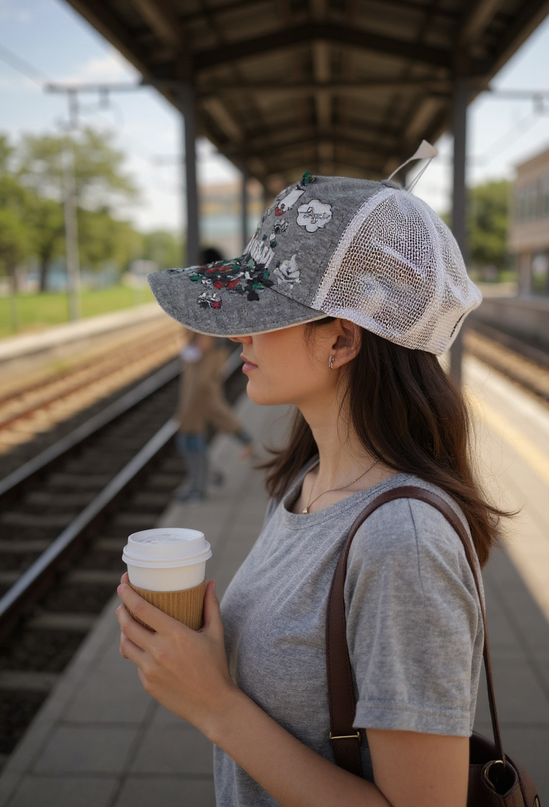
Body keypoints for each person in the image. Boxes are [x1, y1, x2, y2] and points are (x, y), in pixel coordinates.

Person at [116, 161, 508, 806]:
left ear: (341, 342)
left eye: (264, 311)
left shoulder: (401, 545)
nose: (239, 332)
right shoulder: (307, 481)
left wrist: (215, 706)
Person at [175, 328, 253, 500]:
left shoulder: (209, 350)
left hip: (198, 397)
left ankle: (199, 488)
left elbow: (208, 395)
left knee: (191, 441)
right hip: (195, 397)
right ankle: (208, 477)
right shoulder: (202, 353)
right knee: (188, 441)